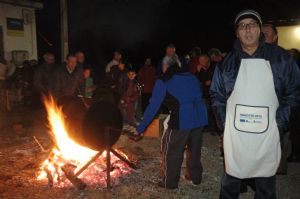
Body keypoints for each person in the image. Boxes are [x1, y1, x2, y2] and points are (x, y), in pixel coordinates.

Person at [210, 9, 300, 199]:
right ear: (237, 32)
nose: (247, 29)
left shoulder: (281, 58)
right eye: (242, 26)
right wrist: (225, 125)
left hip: (267, 136)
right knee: (229, 185)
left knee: (266, 187)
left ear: (259, 30)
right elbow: (217, 96)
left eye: (252, 24)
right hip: (236, 138)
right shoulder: (226, 63)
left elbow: (294, 92)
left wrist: (280, 123)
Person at [134, 61, 208, 189]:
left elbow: (153, 107)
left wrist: (141, 128)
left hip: (182, 120)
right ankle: (195, 177)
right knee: (194, 150)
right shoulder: (192, 76)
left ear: (166, 68)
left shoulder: (164, 81)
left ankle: (170, 183)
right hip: (200, 117)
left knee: (172, 151)